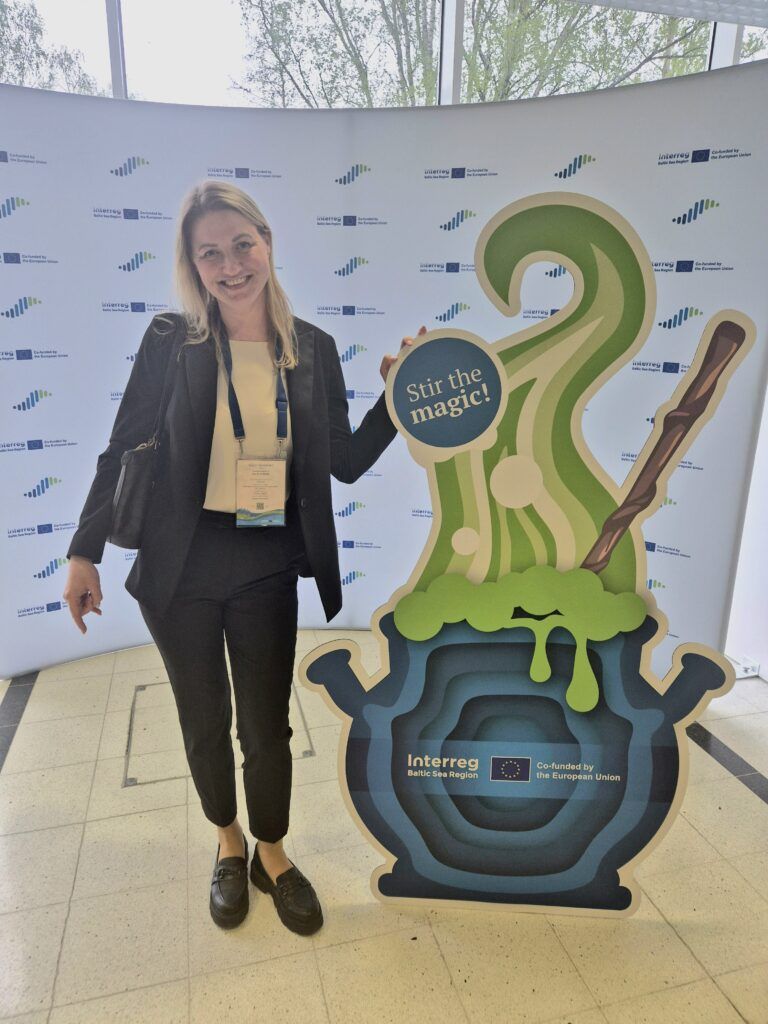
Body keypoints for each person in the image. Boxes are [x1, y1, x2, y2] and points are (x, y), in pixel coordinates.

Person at [63, 180, 421, 934]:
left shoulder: (312, 349)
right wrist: (83, 551)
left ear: (268, 243)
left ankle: (272, 853)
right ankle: (228, 844)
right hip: (180, 565)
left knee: (266, 726)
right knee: (203, 720)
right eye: (210, 254)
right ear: (192, 264)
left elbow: (346, 461)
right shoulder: (172, 340)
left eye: (242, 245)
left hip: (264, 562)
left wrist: (397, 398)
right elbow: (123, 446)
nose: (230, 266)